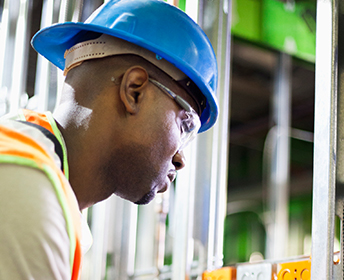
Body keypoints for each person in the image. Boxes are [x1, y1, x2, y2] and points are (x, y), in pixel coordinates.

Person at [0, 0, 218, 279]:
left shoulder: (46, 180)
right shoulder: (25, 184)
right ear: (134, 91)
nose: (181, 158)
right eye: (185, 125)